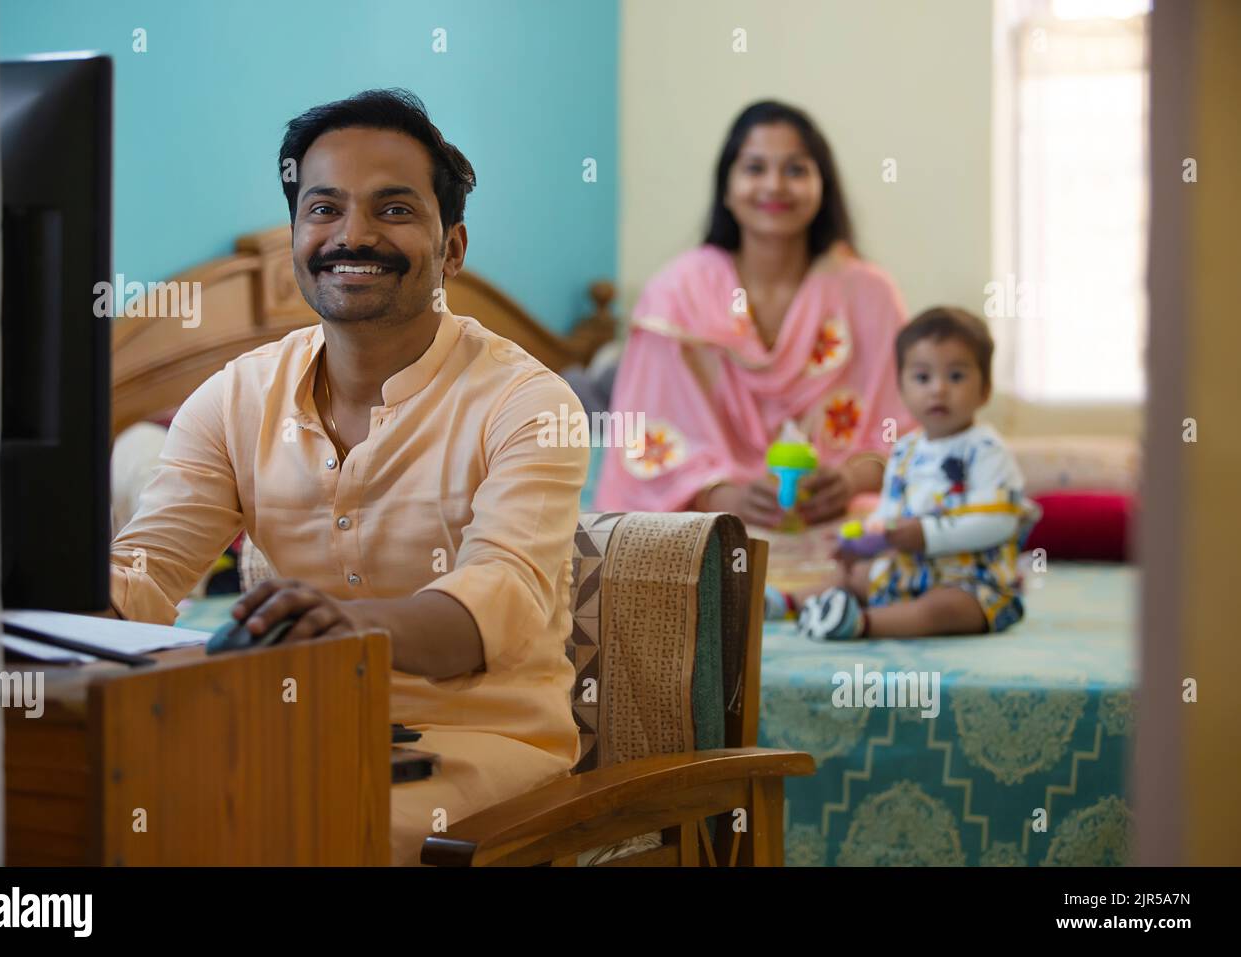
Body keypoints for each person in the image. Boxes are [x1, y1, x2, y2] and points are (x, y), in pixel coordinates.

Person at [108, 89, 587, 864]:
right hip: (286, 729)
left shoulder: (530, 402)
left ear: (452, 248)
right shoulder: (234, 396)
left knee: (286, 829)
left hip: (482, 753)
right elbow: (143, 576)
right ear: (297, 237)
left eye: (394, 210)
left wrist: (347, 624)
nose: (352, 234)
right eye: (323, 209)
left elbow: (490, 604)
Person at [594, 100, 914, 528]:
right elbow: (646, 442)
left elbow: (915, 433)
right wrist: (728, 497)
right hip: (710, 527)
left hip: (846, 525)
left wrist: (852, 479)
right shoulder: (676, 296)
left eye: (796, 170)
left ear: (823, 186)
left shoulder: (869, 294)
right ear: (726, 187)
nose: (775, 185)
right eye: (755, 168)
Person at [797, 307, 1039, 640]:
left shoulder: (986, 449)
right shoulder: (904, 451)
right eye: (923, 378)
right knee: (854, 577)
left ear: (984, 389)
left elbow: (1000, 521)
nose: (938, 389)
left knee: (944, 609)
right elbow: (889, 515)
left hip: (972, 582)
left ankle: (860, 624)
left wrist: (928, 535)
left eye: (956, 376)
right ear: (902, 389)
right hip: (909, 571)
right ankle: (787, 604)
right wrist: (864, 540)